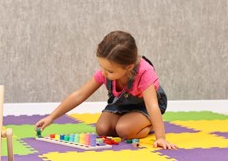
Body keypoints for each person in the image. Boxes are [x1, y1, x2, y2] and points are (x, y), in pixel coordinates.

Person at [35, 31, 177, 149]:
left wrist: (161, 138)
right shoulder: (107, 72)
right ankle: (130, 121)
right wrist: (51, 117)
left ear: (128, 67)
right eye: (101, 66)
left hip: (146, 107)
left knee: (123, 130)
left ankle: (149, 124)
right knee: (102, 129)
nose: (103, 73)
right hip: (121, 106)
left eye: (109, 70)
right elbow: (79, 95)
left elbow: (152, 106)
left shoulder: (145, 72)